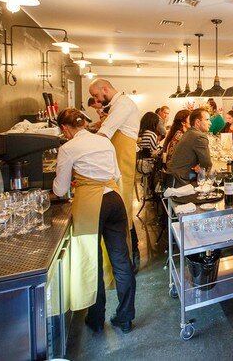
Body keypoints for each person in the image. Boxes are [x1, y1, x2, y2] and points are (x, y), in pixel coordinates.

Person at [53, 108, 136, 333]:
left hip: (91, 205)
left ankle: (96, 318)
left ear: (65, 128)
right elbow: (116, 174)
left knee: (92, 260)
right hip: (114, 198)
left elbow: (60, 189)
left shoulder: (68, 148)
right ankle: (125, 317)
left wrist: (78, 182)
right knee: (121, 260)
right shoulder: (104, 142)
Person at [88, 78, 141, 272]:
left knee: (123, 209)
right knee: (122, 209)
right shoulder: (116, 105)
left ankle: (130, 257)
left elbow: (104, 133)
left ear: (104, 89)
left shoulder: (123, 104)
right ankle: (128, 256)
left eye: (96, 95)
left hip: (123, 161)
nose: (96, 99)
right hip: (117, 162)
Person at [167, 108, 213, 187]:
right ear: (197, 122)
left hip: (173, 178)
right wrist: (201, 166)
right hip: (182, 182)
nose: (210, 123)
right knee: (215, 180)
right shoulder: (199, 136)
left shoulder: (189, 132)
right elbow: (207, 164)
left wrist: (200, 165)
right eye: (207, 120)